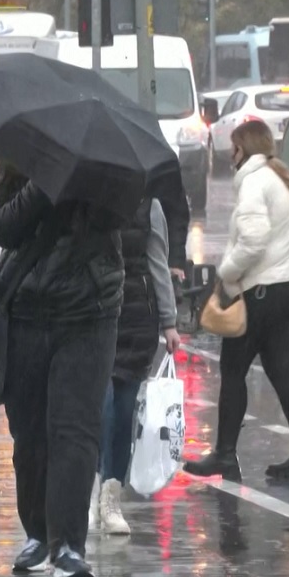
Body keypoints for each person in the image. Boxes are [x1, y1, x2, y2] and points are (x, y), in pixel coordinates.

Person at [0, 161, 123, 577]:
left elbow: (115, 221)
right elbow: (1, 227)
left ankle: (68, 545)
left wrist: (84, 180)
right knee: (28, 432)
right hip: (25, 312)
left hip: (88, 313)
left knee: (74, 428)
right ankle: (36, 533)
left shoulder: (105, 168)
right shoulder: (17, 164)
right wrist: (44, 181)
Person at [183, 120, 289, 482]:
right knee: (280, 373)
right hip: (287, 290)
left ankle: (226, 454)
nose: (231, 155)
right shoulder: (278, 178)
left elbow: (253, 240)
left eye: (234, 148)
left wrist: (225, 274)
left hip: (261, 294)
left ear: (243, 149)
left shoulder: (253, 181)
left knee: (232, 371)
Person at [90, 196, 181, 534]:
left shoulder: (148, 206)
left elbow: (158, 262)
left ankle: (112, 495)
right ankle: (95, 485)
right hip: (95, 316)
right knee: (105, 409)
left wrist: (169, 322)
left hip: (137, 321)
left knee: (125, 414)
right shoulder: (86, 197)